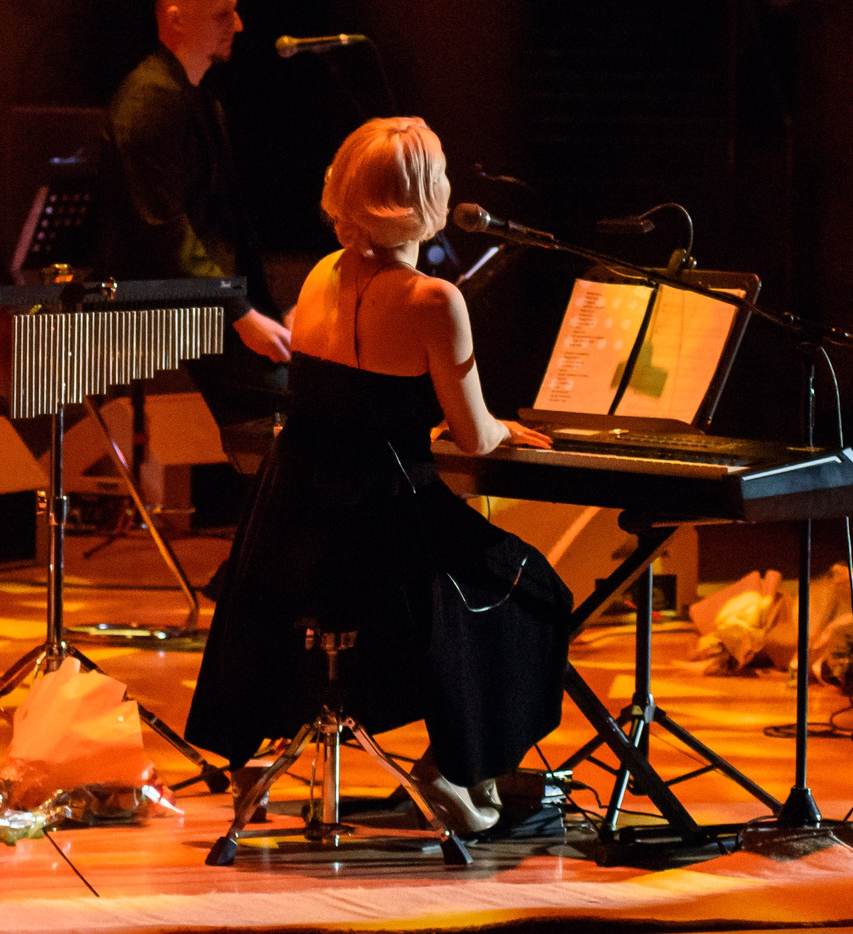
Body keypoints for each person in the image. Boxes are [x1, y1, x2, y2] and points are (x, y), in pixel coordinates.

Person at [184, 118, 570, 838]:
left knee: (469, 578)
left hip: (292, 519)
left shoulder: (322, 274)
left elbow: (348, 398)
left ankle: (414, 763)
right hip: (384, 526)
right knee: (531, 587)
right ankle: (453, 766)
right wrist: (503, 427)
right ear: (426, 195)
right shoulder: (434, 301)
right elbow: (474, 435)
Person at [100, 0, 289, 361]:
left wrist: (263, 306)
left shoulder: (199, 96)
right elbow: (166, 231)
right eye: (223, 15)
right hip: (158, 325)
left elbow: (223, 220)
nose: (238, 25)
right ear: (176, 19)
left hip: (200, 310)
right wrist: (242, 314)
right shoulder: (149, 99)